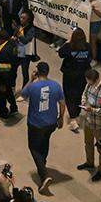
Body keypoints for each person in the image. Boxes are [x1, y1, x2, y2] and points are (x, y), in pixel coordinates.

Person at [20, 61, 65, 192]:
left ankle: (44, 174)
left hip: (36, 123)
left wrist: (30, 79)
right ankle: (42, 166)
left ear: (37, 72)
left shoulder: (33, 87)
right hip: (51, 123)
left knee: (33, 147)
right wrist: (61, 117)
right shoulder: (56, 86)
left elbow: (22, 94)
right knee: (45, 142)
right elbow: (62, 103)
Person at [77, 69, 101, 181]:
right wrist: (83, 101)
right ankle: (89, 162)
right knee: (88, 142)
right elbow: (84, 94)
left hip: (99, 123)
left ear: (93, 80)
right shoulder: (88, 85)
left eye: (88, 80)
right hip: (88, 120)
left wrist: (92, 109)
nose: (87, 82)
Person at [57, 27, 91, 132]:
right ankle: (76, 115)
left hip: (69, 76)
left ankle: (73, 118)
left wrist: (67, 42)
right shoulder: (87, 47)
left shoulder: (69, 47)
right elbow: (90, 58)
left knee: (69, 95)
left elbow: (60, 53)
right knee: (79, 95)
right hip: (82, 76)